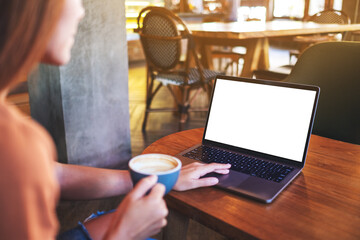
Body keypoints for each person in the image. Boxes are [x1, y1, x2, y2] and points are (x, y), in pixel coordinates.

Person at [0, 0, 231, 239]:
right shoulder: (17, 144)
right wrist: (123, 232)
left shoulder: (18, 146)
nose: (80, 12)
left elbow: (52, 174)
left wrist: (156, 178)